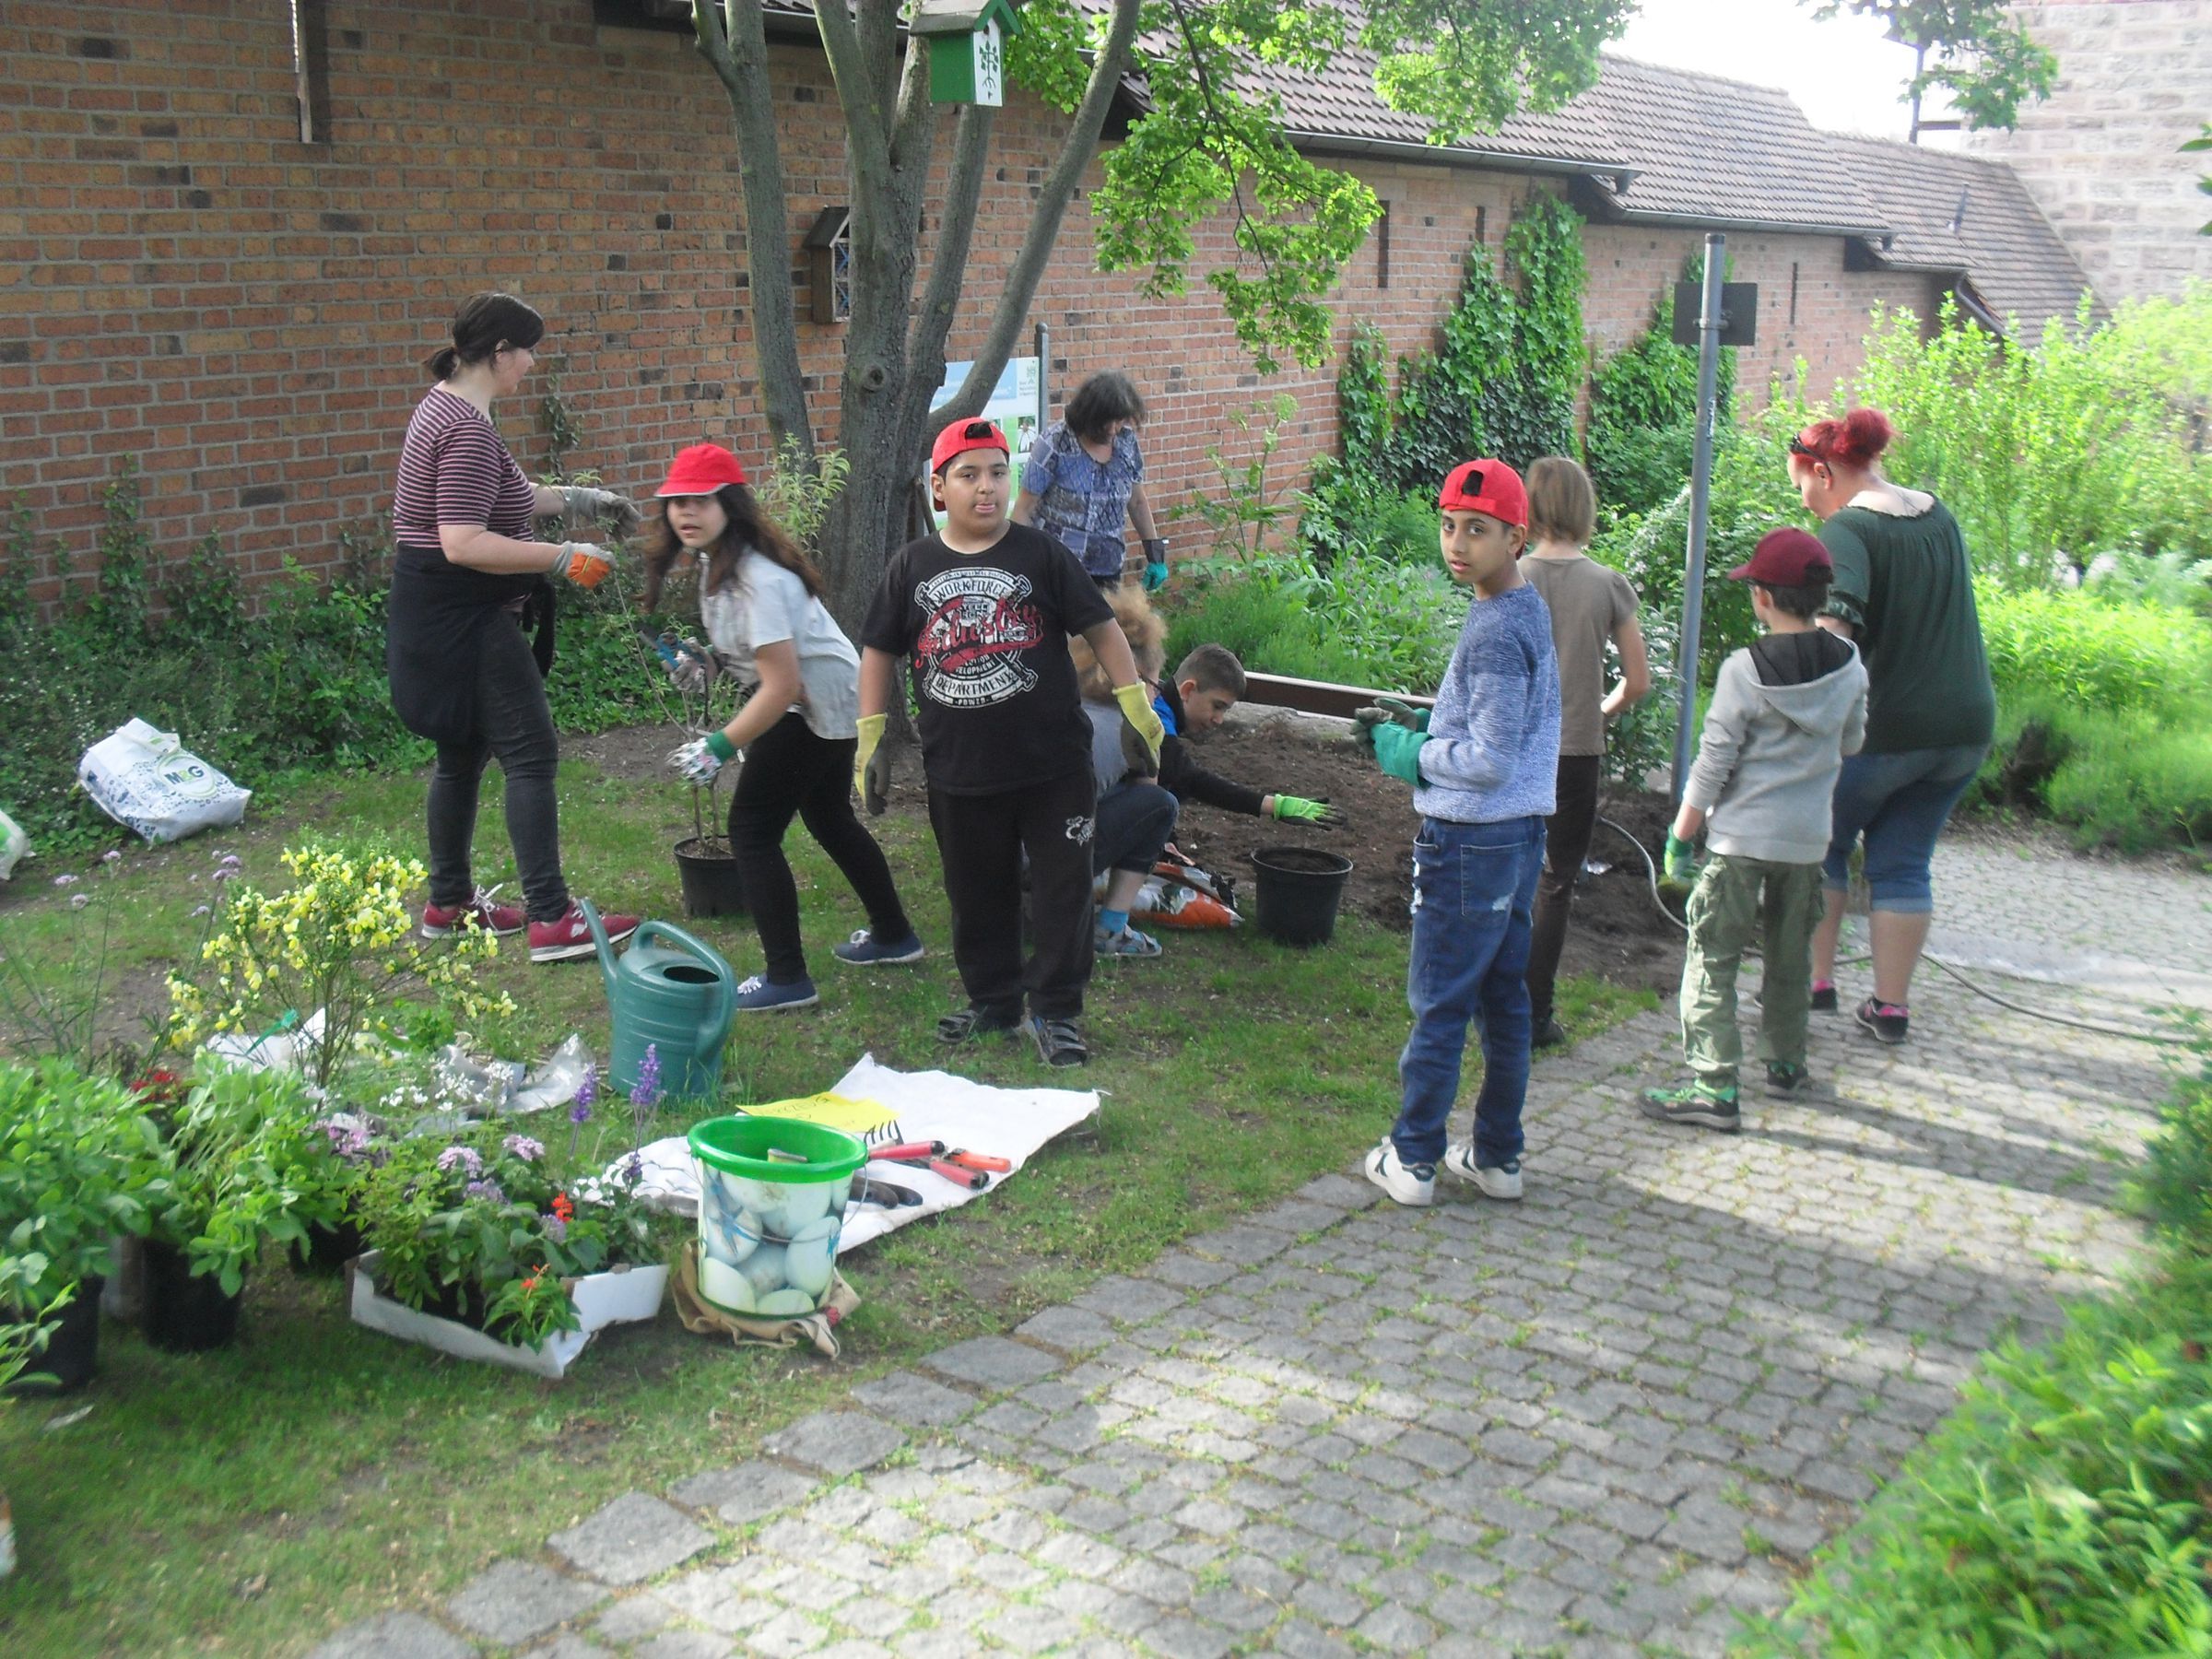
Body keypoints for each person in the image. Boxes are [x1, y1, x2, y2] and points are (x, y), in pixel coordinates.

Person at [857, 418, 1164, 1068]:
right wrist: (872, 737)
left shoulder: (1041, 556)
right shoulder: (911, 567)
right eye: (968, 475)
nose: (987, 487)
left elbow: (1103, 629)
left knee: (1062, 892)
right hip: (959, 772)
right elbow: (879, 650)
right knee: (976, 893)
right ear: (939, 489)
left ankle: (1057, 1012)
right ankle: (993, 1002)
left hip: (1053, 767)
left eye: (998, 472)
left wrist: (1138, 705)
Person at [386, 290, 639, 963]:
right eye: (526, 350)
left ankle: (447, 903)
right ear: (498, 352)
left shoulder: (445, 406)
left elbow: (503, 497)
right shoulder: (465, 427)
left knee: (462, 752)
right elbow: (463, 540)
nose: (531, 363)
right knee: (531, 753)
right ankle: (552, 920)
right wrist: (564, 556)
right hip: (463, 619)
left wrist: (583, 501)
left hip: (433, 614)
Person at [642, 442, 925, 1012]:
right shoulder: (718, 563)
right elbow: (758, 653)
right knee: (828, 816)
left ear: (730, 504)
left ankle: (787, 978)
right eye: (677, 502)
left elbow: (782, 687)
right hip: (828, 699)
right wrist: (709, 662)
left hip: (813, 706)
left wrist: (719, 745)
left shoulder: (758, 578)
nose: (686, 513)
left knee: (751, 831)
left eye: (701, 500)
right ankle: (895, 936)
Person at [1356, 459, 1559, 1208]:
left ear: (1516, 535)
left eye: (1478, 530)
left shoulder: (1497, 630)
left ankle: (1412, 1161)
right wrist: (1428, 723)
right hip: (1521, 836)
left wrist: (1411, 754)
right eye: (1448, 525)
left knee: (1441, 1001)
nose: (1458, 543)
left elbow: (1491, 759)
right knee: (1505, 1000)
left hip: (1472, 842)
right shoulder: (1521, 607)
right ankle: (1499, 1159)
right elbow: (1496, 728)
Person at [1641, 529, 1868, 1131]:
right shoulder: (1850, 665)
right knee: (1790, 955)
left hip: (1739, 842)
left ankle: (1714, 1086)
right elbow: (1853, 741)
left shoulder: (1744, 670)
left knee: (1713, 955)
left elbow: (1714, 761)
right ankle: (1787, 1063)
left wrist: (1680, 836)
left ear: (1763, 597)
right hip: (1807, 843)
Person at [1790, 407, 1995, 1045]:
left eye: (1801, 483)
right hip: (1963, 728)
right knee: (1904, 864)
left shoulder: (1848, 529)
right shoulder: (1936, 512)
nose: (1804, 500)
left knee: (1819, 844)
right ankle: (1891, 1008)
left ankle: (1814, 985)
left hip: (1884, 731)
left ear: (1822, 471)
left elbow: (1833, 636)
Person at [1519, 457, 1650, 1048]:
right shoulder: (1607, 585)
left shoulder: (1510, 574)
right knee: (1555, 882)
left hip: (1515, 745)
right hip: (1574, 752)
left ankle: (1490, 1001)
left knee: (1508, 872)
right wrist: (1597, 711)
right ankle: (1533, 1014)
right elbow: (1638, 680)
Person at [1073, 586, 1180, 959]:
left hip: (989, 862)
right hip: (1044, 861)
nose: (1157, 696)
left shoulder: (1064, 706)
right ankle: (1111, 929)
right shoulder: (1131, 726)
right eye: (1156, 685)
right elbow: (1148, 794)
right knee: (1159, 804)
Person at [1150, 645, 1346, 833]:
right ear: (1187, 690)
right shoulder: (1155, 720)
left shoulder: (1158, 699)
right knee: (1165, 798)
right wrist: (1276, 805)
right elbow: (1190, 778)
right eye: (1217, 706)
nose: (1219, 720)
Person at [1010, 371, 1170, 591]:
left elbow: (1137, 501)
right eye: (1107, 422)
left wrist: (1155, 554)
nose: (1114, 429)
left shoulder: (1126, 441)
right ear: (1090, 415)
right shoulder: (1055, 444)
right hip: (1058, 568)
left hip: (1108, 567)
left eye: (1120, 420)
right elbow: (1025, 507)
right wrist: (1016, 563)